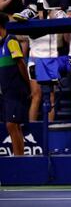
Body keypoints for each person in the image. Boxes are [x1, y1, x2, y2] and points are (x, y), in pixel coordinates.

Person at [0, 12, 30, 155]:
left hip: (15, 89)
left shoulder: (11, 40)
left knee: (12, 125)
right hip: (6, 91)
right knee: (13, 126)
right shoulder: (1, 44)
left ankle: (19, 158)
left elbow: (20, 63)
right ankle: (19, 158)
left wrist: (27, 83)